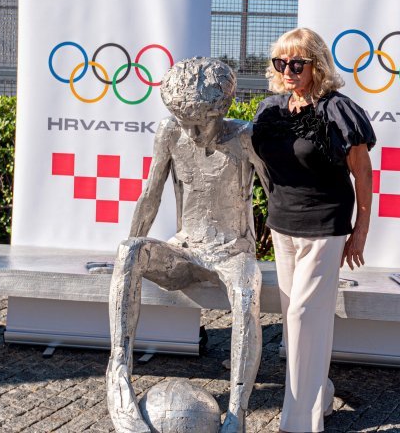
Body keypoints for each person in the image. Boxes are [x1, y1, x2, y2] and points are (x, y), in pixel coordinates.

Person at [106, 58, 269, 433]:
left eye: (198, 122)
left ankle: (237, 413)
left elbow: (277, 199)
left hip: (232, 252)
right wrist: (133, 240)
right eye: (183, 120)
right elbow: (150, 196)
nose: (190, 131)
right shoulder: (170, 132)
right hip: (186, 248)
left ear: (221, 108)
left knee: (246, 295)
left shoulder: (244, 137)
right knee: (129, 251)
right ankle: (117, 374)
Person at [251, 28, 375, 433]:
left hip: (325, 226)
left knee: (304, 315)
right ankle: (320, 392)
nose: (287, 70)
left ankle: (299, 423)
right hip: (283, 227)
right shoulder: (271, 110)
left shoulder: (338, 110)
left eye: (297, 63)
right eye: (280, 62)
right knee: (296, 320)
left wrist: (360, 230)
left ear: (315, 65)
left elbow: (362, 173)